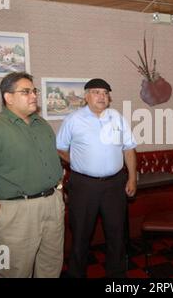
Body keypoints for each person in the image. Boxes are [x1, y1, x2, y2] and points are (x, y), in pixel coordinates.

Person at [0, 72, 65, 278]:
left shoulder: (41, 124)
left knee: (51, 267)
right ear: (8, 97)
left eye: (34, 91)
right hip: (15, 212)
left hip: (51, 206)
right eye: (25, 92)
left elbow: (52, 162)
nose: (34, 96)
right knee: (14, 272)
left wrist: (59, 190)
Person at [56, 78, 137, 278]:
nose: (101, 96)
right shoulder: (73, 119)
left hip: (115, 184)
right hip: (84, 186)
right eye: (96, 92)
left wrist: (132, 178)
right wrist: (77, 160)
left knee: (117, 234)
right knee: (81, 236)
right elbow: (60, 148)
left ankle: (117, 277)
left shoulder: (117, 118)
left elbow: (129, 149)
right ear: (86, 96)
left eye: (105, 93)